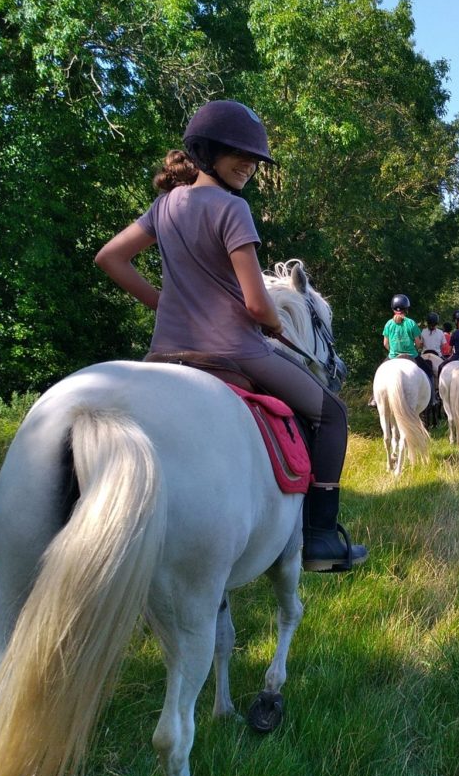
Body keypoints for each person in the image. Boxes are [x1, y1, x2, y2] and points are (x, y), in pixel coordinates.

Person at [95, 99, 367, 572]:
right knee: (333, 414)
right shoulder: (233, 208)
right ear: (206, 152)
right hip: (235, 352)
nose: (249, 165)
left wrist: (165, 303)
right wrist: (273, 324)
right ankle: (321, 538)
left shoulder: (164, 206)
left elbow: (110, 258)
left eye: (255, 159)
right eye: (238, 154)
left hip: (163, 357)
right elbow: (258, 302)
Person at [381, 295, 435, 404]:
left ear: (393, 308)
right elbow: (418, 343)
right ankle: (431, 399)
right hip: (411, 355)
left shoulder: (388, 324)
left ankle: (374, 398)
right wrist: (415, 347)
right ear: (406, 309)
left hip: (393, 356)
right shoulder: (411, 323)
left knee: (380, 373)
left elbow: (385, 343)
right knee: (429, 372)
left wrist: (393, 351)